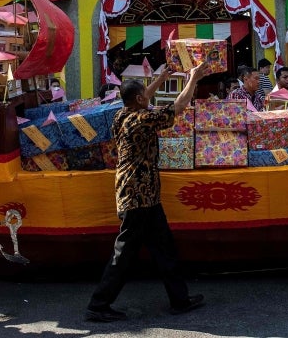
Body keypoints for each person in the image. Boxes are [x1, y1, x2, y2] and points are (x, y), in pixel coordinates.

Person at [86, 63, 208, 322]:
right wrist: (193, 78)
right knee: (124, 254)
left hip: (144, 195)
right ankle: (98, 304)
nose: (147, 96)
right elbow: (179, 106)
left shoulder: (122, 115)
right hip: (138, 196)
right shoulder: (143, 119)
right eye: (145, 94)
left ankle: (180, 299)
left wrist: (161, 78)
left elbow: (144, 96)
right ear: (139, 99)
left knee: (164, 248)